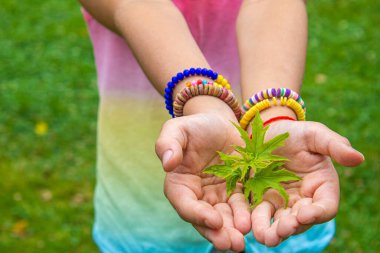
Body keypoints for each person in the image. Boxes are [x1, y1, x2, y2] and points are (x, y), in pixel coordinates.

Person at [79, 0, 364, 252]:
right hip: (149, 180)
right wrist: (203, 102)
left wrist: (273, 118)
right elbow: (134, 5)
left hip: (281, 190)